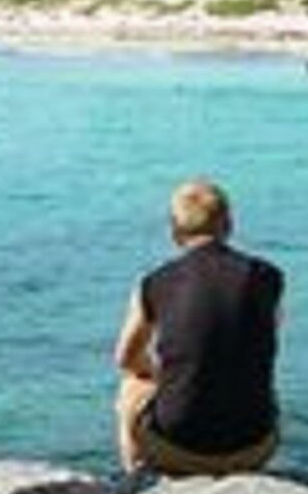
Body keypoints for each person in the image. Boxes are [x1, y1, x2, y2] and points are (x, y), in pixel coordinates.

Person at [115, 180, 284, 477]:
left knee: (131, 386)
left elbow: (126, 359)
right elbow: (263, 338)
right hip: (254, 447)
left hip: (178, 449)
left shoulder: (155, 283)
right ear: (229, 224)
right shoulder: (268, 277)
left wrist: (159, 375)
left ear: (174, 231)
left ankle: (135, 480)